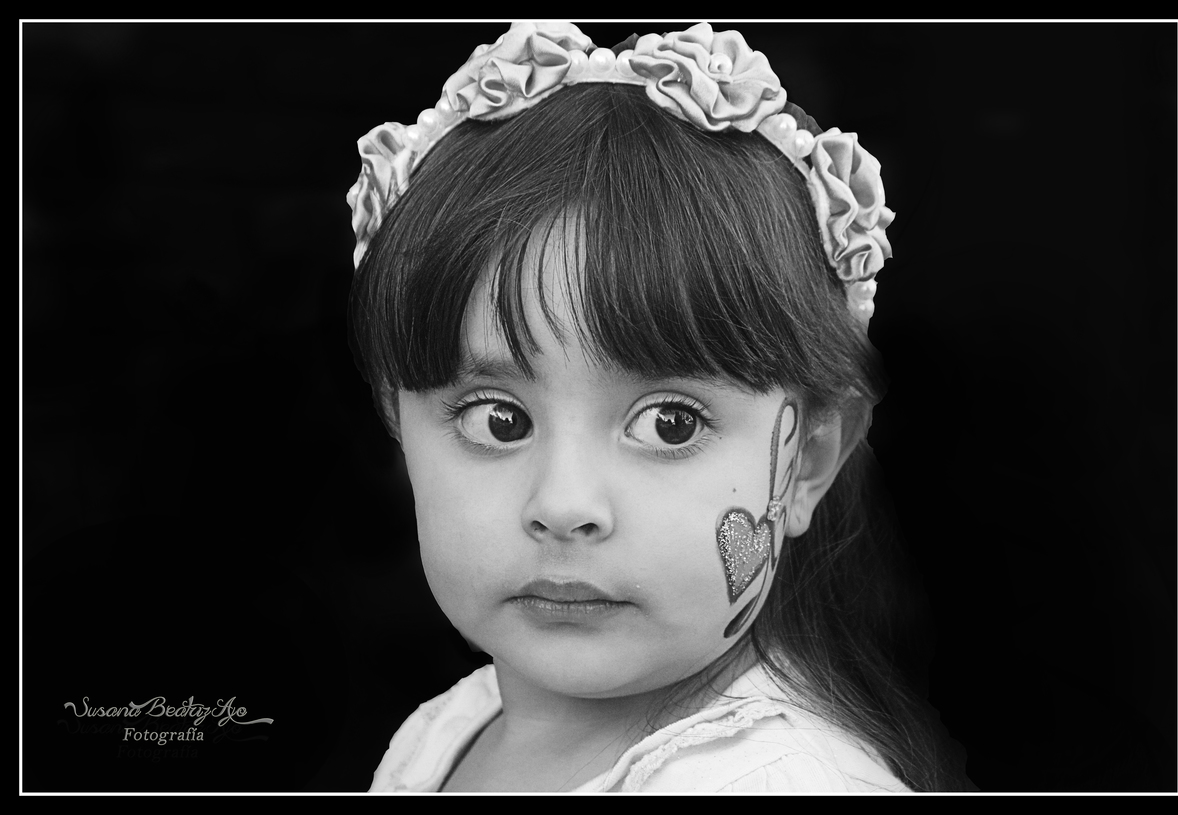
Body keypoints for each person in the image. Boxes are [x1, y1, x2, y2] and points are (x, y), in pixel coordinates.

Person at [347, 22, 967, 793]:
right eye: (498, 419)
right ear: (398, 424)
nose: (565, 505)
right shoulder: (448, 728)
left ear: (806, 461)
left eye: (671, 423)